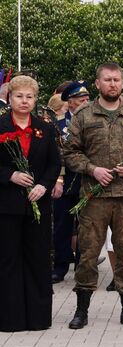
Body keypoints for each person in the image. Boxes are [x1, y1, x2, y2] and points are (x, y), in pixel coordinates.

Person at [64, 63, 123, 329]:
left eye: (116, 80)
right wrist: (93, 169)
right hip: (94, 197)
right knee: (88, 254)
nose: (112, 84)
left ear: (122, 84)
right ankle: (82, 310)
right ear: (97, 83)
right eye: (107, 80)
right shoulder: (84, 115)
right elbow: (69, 153)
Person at [0, 76, 61, 332]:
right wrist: (10, 175)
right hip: (7, 205)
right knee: (8, 259)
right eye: (19, 96)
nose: (24, 101)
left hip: (38, 202)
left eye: (30, 97)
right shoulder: (1, 125)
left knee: (37, 258)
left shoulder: (45, 128)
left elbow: (54, 163)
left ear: (36, 100)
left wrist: (43, 185)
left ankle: (38, 318)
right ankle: (10, 318)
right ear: (9, 98)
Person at [51, 80, 90, 284]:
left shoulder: (94, 122)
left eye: (87, 99)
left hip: (89, 183)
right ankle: (60, 267)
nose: (85, 102)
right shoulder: (58, 125)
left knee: (87, 227)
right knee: (62, 227)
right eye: (80, 99)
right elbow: (56, 156)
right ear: (70, 102)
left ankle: (84, 267)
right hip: (65, 184)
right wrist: (57, 179)